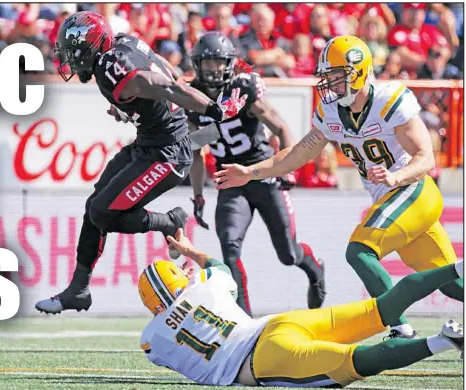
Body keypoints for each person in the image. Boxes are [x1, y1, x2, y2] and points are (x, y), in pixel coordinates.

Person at [213, 35, 464, 339]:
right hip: (393, 200)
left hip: (413, 191)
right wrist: (250, 172)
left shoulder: (389, 100)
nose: (329, 84)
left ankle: (401, 329)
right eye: (327, 77)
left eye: (335, 76)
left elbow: (426, 159)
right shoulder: (332, 113)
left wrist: (396, 177)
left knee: (359, 251)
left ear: (357, 72)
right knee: (451, 283)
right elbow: (295, 155)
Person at [35, 11, 248, 314]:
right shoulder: (122, 45)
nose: (70, 60)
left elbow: (167, 87)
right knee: (95, 205)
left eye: (73, 52)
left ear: (91, 45)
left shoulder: (110, 68)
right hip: (150, 144)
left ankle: (169, 222)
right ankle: (78, 290)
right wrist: (130, 108)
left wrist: (214, 109)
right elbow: (162, 76)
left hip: (166, 154)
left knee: (102, 213)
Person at [138, 227, 463, 388]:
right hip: (278, 324)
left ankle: (444, 341)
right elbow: (219, 266)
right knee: (381, 309)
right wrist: (191, 252)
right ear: (178, 280)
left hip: (263, 360)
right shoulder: (205, 285)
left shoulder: (152, 341)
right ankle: (456, 269)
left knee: (357, 361)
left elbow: (163, 342)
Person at [186, 31, 326, 316]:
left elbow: (281, 129)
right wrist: (198, 194)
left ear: (229, 64)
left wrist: (286, 171)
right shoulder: (192, 98)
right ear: (197, 65)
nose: (213, 70)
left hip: (262, 174)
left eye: (218, 63)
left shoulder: (243, 90)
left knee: (287, 254)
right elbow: (197, 152)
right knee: (230, 248)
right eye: (207, 64)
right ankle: (244, 320)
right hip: (229, 180)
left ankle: (314, 270)